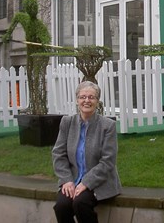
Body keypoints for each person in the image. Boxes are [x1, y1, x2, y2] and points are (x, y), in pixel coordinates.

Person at [52, 81, 122, 223]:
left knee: (80, 203)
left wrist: (86, 183)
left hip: (99, 181)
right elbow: (58, 154)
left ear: (97, 101)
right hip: (72, 179)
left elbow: (107, 162)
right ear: (77, 100)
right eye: (83, 97)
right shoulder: (67, 122)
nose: (87, 101)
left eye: (91, 97)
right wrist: (67, 180)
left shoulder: (108, 126)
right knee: (61, 206)